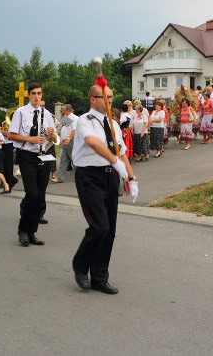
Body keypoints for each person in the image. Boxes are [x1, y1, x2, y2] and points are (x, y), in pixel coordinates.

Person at [72, 84, 137, 294]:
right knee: (99, 226)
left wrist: (131, 177)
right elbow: (92, 142)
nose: (110, 101)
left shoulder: (114, 124)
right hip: (89, 177)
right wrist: (113, 160)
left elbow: (123, 154)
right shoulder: (85, 121)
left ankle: (99, 277)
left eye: (111, 97)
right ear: (93, 99)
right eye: (105, 97)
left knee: (109, 231)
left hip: (110, 177)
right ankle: (80, 266)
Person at [7, 82, 56, 247]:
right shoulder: (21, 113)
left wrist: (50, 135)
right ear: (29, 95)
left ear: (42, 95)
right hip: (27, 156)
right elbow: (12, 135)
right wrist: (30, 139)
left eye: (39, 93)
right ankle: (22, 229)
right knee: (32, 194)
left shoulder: (47, 113)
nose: (36, 96)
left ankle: (32, 232)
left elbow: (51, 139)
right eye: (34, 93)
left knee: (40, 196)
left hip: (43, 156)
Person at [54, 104, 78, 183]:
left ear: (68, 110)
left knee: (74, 159)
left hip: (70, 141)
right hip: (65, 141)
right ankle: (60, 178)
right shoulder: (66, 118)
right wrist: (60, 138)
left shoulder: (74, 118)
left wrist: (69, 138)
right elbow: (63, 128)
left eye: (63, 110)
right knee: (63, 159)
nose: (62, 112)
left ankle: (80, 176)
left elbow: (74, 130)